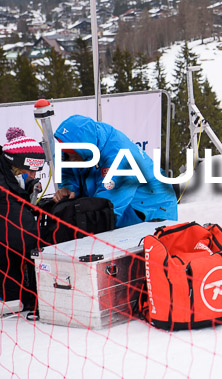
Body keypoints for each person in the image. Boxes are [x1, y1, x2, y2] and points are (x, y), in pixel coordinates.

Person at [52, 115, 178, 228]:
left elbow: (107, 207)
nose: (70, 160)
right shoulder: (88, 139)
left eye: (74, 155)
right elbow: (66, 169)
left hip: (151, 210)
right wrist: (68, 187)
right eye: (67, 155)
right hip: (122, 203)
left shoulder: (120, 160)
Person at [0, 127, 44, 310]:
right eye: (31, 171)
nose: (34, 175)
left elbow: (17, 186)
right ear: (18, 164)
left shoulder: (10, 171)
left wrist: (30, 184)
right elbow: (19, 227)